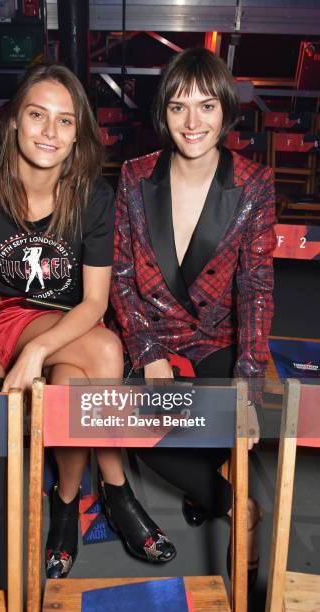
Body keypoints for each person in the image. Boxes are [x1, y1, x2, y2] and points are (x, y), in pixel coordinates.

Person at [0, 63, 176, 578]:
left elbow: (94, 302)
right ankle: (117, 491)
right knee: (106, 352)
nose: (49, 132)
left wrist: (38, 353)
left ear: (79, 135)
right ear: (12, 123)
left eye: (65, 121)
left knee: (74, 382)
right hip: (8, 316)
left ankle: (67, 503)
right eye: (36, 115)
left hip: (72, 320)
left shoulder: (94, 197)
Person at [110, 47, 276, 586]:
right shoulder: (134, 177)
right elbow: (118, 275)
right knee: (133, 431)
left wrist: (249, 382)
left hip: (216, 337)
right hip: (152, 334)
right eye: (179, 107)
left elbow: (254, 285)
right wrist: (148, 351)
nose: (193, 122)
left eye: (206, 107)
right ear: (163, 114)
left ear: (227, 112)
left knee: (229, 421)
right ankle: (235, 504)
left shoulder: (253, 183)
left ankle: (229, 505)